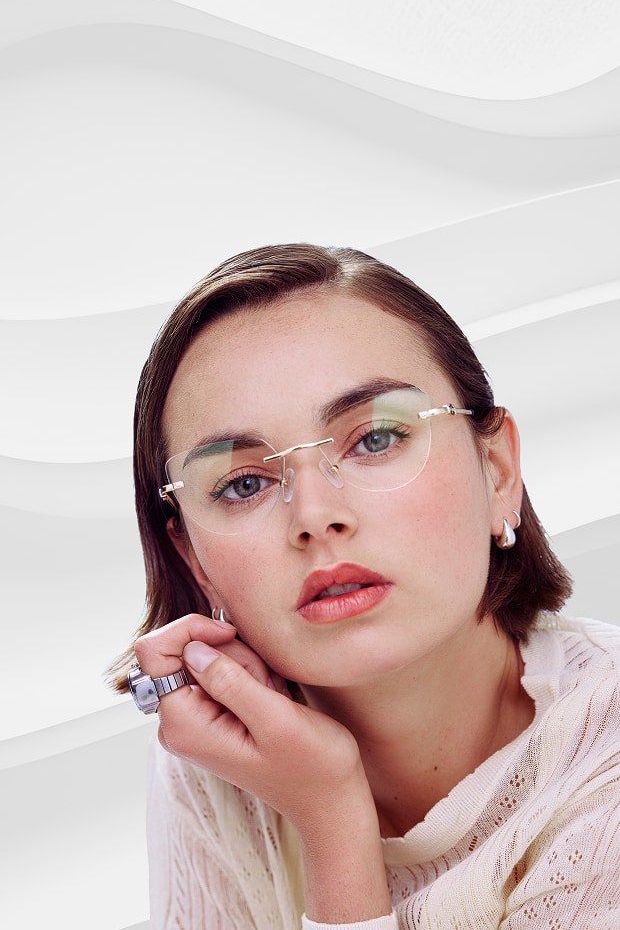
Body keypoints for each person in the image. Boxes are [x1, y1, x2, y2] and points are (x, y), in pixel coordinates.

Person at [109, 243, 620, 929]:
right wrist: (326, 801)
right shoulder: (221, 757)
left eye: (376, 439)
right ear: (195, 558)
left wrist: (327, 817)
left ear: (497, 471)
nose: (316, 517)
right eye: (244, 484)